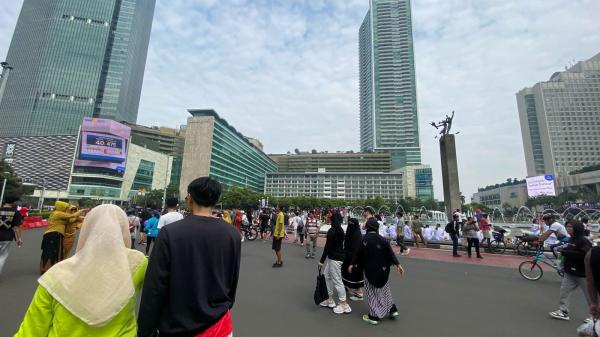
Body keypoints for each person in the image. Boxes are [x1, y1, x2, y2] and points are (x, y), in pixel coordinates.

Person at [14, 204, 147, 336]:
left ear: (87, 229)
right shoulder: (137, 263)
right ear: (123, 230)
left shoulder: (56, 274)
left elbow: (32, 329)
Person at [138, 177, 241, 337]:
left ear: (190, 198)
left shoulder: (170, 233)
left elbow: (155, 287)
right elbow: (232, 278)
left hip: (177, 324)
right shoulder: (232, 233)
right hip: (219, 324)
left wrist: (145, 330)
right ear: (217, 200)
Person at [351, 218, 404, 325]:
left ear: (368, 227)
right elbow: (390, 253)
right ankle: (392, 310)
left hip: (370, 270)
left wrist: (352, 264)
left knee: (371, 292)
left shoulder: (364, 239)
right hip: (383, 270)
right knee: (385, 290)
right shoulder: (382, 239)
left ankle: (374, 317)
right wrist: (398, 264)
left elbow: (358, 253)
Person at [549, 220, 592, 321]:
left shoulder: (584, 241)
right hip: (570, 273)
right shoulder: (570, 239)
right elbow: (566, 254)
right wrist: (562, 264)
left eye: (570, 227)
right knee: (564, 292)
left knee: (590, 296)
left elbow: (584, 255)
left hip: (583, 274)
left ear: (577, 228)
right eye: (567, 226)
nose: (568, 229)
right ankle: (564, 312)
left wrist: (566, 252)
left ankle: (595, 316)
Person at [319, 212, 351, 314]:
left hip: (335, 259)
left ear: (333, 220)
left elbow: (327, 247)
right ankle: (329, 298)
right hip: (335, 258)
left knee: (337, 280)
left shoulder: (332, 231)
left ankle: (344, 304)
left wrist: (321, 261)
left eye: (330, 219)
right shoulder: (340, 230)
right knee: (326, 276)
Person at [40, 201, 84, 274]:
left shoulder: (59, 214)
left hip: (56, 234)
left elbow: (73, 220)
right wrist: (80, 211)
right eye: (70, 209)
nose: (73, 211)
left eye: (74, 209)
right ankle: (46, 268)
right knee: (51, 252)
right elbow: (71, 217)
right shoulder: (58, 213)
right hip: (54, 234)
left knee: (54, 251)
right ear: (62, 207)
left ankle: (47, 267)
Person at [0, 194, 23, 275]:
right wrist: (19, 239)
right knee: (2, 256)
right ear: (13, 202)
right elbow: (16, 228)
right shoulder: (16, 212)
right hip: (7, 237)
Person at [342, 218, 364, 301]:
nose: (350, 225)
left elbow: (357, 249)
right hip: (348, 257)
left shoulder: (357, 234)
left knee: (355, 275)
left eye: (352, 223)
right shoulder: (351, 232)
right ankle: (350, 288)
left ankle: (359, 293)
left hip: (355, 258)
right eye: (349, 223)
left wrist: (353, 262)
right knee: (346, 272)